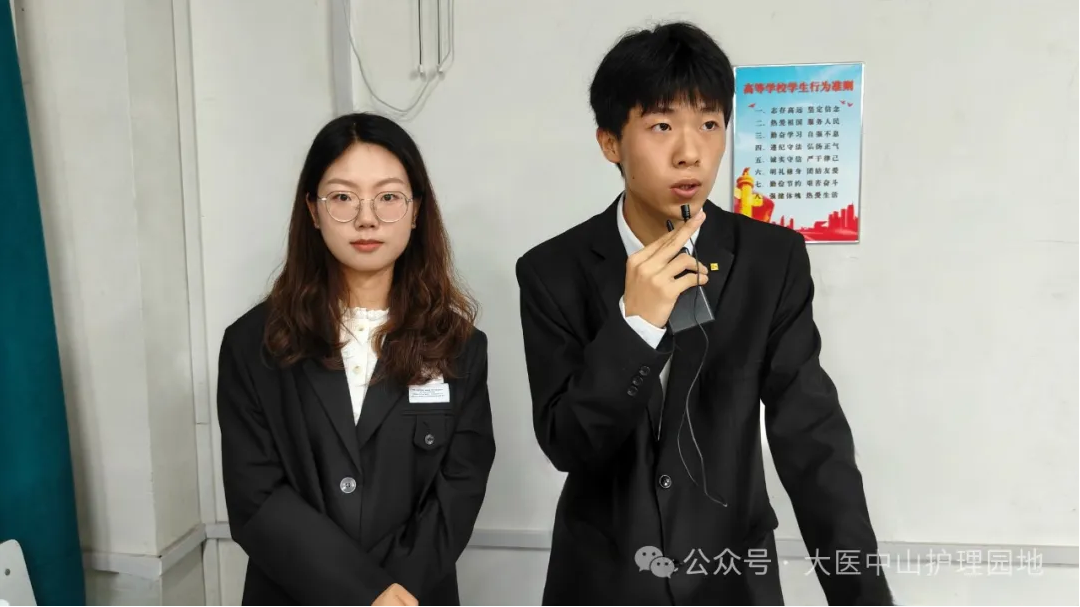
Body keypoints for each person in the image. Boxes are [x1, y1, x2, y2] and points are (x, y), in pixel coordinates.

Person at [515, 22, 894, 606]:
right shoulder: (552, 270)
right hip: (604, 582)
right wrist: (635, 327)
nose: (690, 152)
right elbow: (569, 444)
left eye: (709, 124)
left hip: (731, 578)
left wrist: (863, 598)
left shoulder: (771, 260)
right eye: (662, 126)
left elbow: (810, 437)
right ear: (611, 143)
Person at [216, 112, 496, 606]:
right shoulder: (253, 343)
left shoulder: (460, 345)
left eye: (388, 197)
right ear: (313, 209)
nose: (367, 218)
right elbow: (255, 496)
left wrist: (396, 592)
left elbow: (460, 485)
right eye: (343, 197)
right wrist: (366, 592)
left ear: (416, 210)